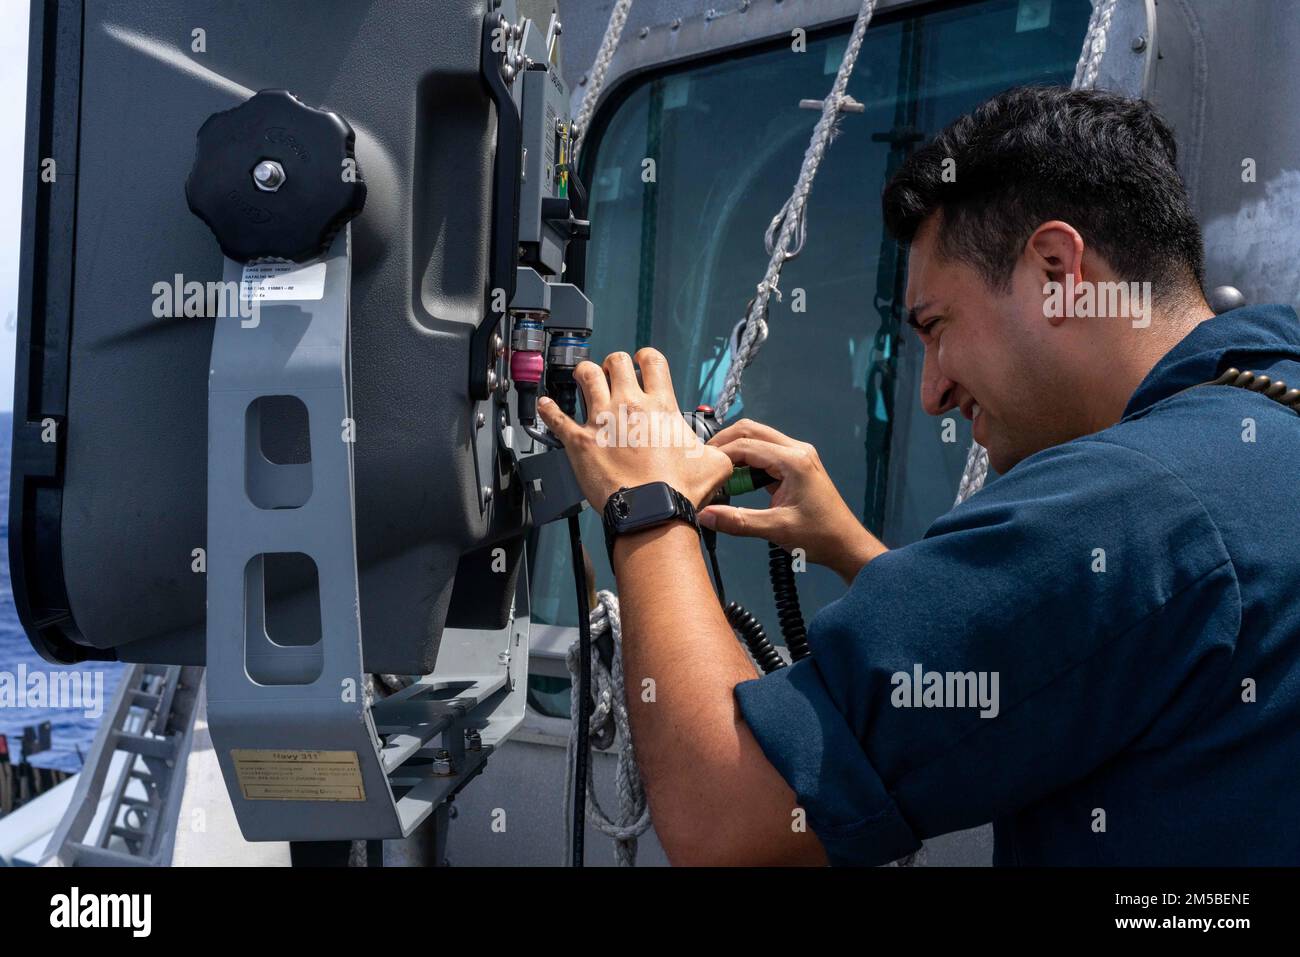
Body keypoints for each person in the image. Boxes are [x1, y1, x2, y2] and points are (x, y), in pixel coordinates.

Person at [536, 85, 1300, 865]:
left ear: (1058, 269)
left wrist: (649, 504)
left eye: (937, 327)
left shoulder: (1132, 503)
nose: (933, 390)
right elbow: (1084, 640)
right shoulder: (1268, 417)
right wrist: (865, 558)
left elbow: (729, 817)